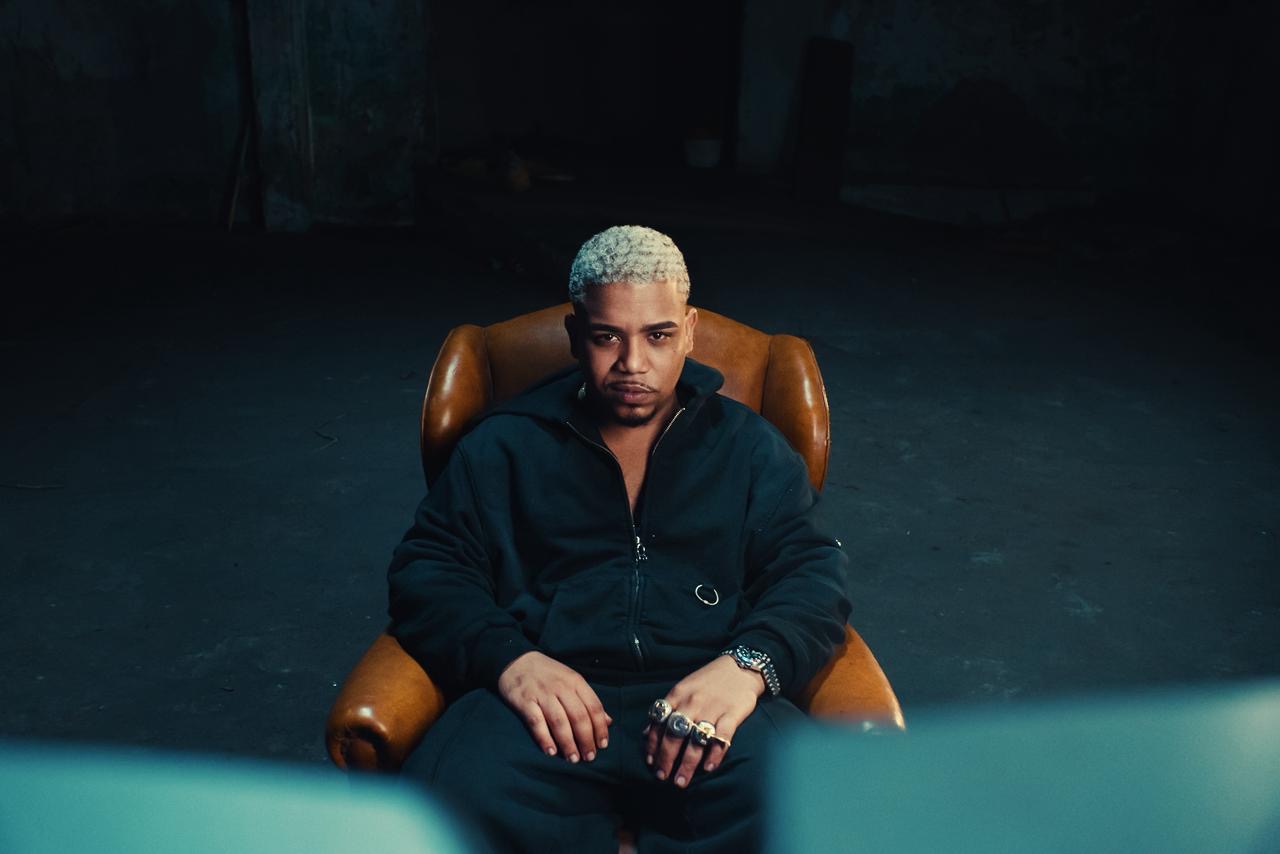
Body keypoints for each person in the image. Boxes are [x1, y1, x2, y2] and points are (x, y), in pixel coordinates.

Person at [388, 225, 851, 853]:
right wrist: (510, 661)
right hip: (546, 705)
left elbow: (812, 573)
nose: (633, 364)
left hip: (706, 696)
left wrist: (745, 668)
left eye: (658, 336)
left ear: (689, 331)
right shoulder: (502, 446)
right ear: (575, 334)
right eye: (607, 336)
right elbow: (428, 568)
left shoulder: (749, 447)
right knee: (431, 812)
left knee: (821, 810)